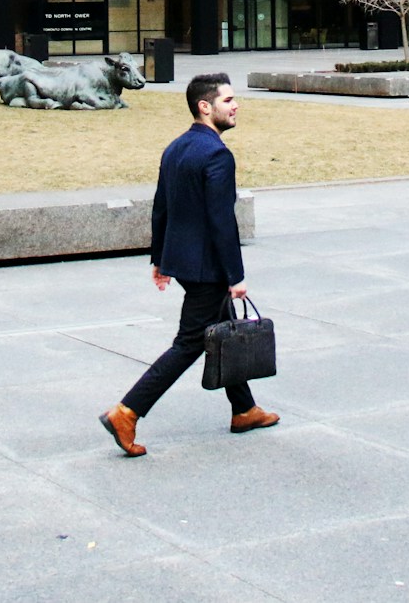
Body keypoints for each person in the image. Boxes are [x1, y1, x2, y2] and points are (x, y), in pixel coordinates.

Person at [99, 72, 278, 456]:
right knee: (190, 343)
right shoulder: (216, 153)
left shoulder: (176, 147)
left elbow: (162, 206)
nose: (236, 106)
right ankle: (127, 412)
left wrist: (160, 259)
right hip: (206, 268)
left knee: (223, 327)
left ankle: (244, 409)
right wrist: (236, 275)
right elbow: (221, 219)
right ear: (205, 106)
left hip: (183, 260)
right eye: (228, 100)